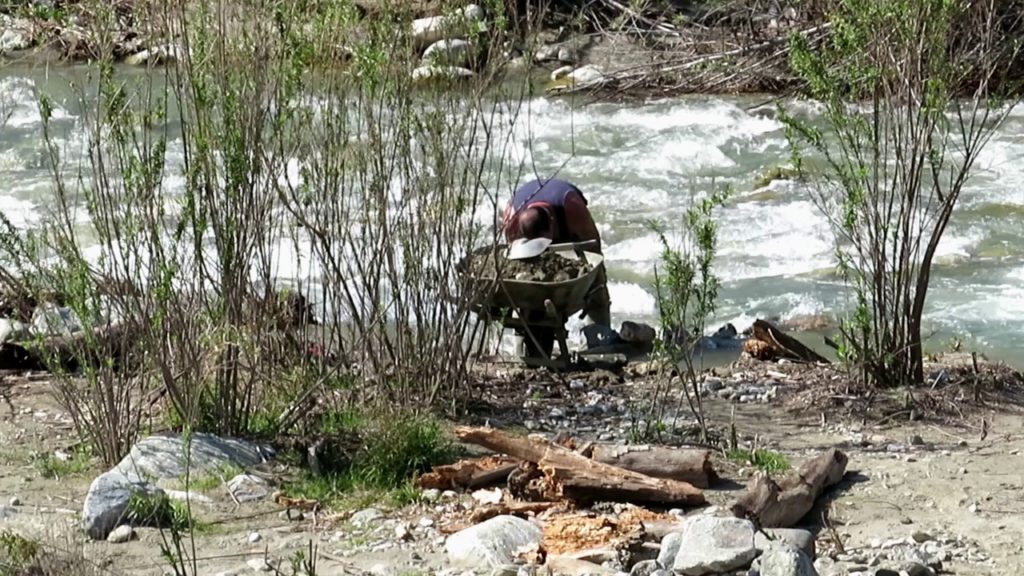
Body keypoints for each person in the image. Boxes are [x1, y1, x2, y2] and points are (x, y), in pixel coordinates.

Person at [501, 177, 611, 328]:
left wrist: (596, 278)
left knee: (597, 291)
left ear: (552, 223)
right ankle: (524, 331)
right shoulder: (512, 216)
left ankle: (600, 335)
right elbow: (510, 255)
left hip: (568, 232)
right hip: (525, 244)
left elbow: (593, 244)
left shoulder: (571, 207)